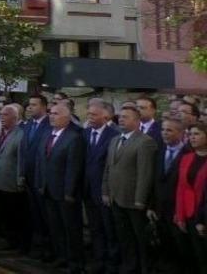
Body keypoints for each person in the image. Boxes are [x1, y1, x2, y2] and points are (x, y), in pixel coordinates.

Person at [102, 104, 157, 274]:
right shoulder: (115, 140)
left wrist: (140, 199)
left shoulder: (145, 142)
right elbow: (108, 168)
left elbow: (145, 173)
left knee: (140, 237)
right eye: (120, 117)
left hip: (134, 200)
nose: (121, 119)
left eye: (126, 117)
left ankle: (144, 267)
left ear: (137, 121)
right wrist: (105, 191)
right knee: (124, 236)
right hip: (116, 197)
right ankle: (129, 266)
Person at [38, 102, 86, 274]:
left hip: (65, 193)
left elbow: (74, 167)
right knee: (55, 227)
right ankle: (62, 256)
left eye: (56, 113)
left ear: (67, 117)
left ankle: (75, 261)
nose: (52, 116)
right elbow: (41, 161)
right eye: (50, 113)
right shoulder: (47, 135)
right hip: (48, 189)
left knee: (70, 229)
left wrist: (69, 191)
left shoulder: (74, 137)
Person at [83, 101, 120, 274]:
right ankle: (99, 260)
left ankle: (112, 263)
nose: (90, 117)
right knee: (95, 228)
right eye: (89, 114)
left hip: (105, 191)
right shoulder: (85, 133)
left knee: (109, 229)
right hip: (88, 190)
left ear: (105, 117)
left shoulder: (114, 135)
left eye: (94, 115)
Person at [150, 117, 190, 273]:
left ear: (180, 133)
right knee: (164, 243)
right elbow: (154, 181)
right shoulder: (158, 152)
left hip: (179, 211)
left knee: (181, 246)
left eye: (169, 130)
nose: (164, 133)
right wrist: (151, 205)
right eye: (163, 130)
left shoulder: (189, 154)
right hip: (160, 209)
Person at [0, 104, 27, 253]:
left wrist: (20, 179)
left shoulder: (20, 134)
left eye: (5, 115)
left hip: (12, 182)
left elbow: (21, 159)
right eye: (1, 115)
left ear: (14, 118)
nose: (2, 117)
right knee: (1, 212)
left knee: (14, 214)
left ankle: (16, 241)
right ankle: (4, 239)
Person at [20, 93, 52, 259]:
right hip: (28, 176)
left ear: (44, 106)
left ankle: (49, 248)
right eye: (29, 105)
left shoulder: (49, 125)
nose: (30, 107)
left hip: (42, 178)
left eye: (34, 104)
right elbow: (23, 150)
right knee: (33, 214)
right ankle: (37, 245)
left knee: (45, 215)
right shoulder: (28, 124)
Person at [172, 122, 207, 268]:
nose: (192, 137)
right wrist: (179, 215)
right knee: (189, 254)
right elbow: (181, 187)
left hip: (203, 214)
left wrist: (203, 220)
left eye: (197, 134)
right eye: (190, 134)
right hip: (187, 212)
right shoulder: (186, 157)